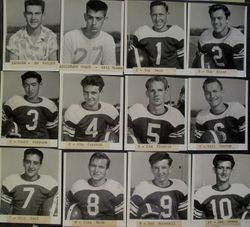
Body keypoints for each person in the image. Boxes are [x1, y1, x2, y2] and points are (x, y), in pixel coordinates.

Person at [66, 152, 124, 220]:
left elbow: (121, 220)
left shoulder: (116, 188)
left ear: (107, 170)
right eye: (93, 166)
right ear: (88, 166)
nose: (96, 170)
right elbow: (64, 208)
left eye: (101, 167)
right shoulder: (77, 186)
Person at [2, 71, 58, 139]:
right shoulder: (14, 102)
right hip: (19, 141)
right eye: (26, 85)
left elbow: (54, 134)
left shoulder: (49, 105)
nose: (30, 89)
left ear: (40, 84)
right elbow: (2, 124)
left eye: (33, 85)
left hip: (41, 142)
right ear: (23, 85)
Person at [0, 148, 58, 215]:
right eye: (28, 162)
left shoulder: (50, 183)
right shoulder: (11, 181)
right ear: (23, 162)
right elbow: (2, 214)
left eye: (35, 163)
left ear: (40, 165)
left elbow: (52, 214)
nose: (31, 166)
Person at [130, 152, 188, 219]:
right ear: (151, 169)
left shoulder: (180, 185)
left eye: (164, 167)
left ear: (170, 168)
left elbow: (185, 217)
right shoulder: (142, 187)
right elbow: (130, 216)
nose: (160, 172)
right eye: (156, 168)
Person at [128, 76, 185, 144]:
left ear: (166, 92)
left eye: (160, 90)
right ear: (147, 93)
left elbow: (175, 147)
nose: (156, 94)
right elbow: (121, 130)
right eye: (152, 90)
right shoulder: (136, 110)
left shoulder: (176, 116)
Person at [63, 75, 119, 142]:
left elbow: (119, 135)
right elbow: (67, 141)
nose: (89, 97)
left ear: (101, 93)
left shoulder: (110, 110)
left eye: (93, 93)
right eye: (86, 93)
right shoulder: (73, 110)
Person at [194, 154, 250, 219]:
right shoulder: (203, 193)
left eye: (228, 168)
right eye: (221, 168)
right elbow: (194, 220)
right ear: (214, 170)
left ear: (231, 171)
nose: (224, 172)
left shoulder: (241, 190)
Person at [132, 0, 184, 68]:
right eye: (154, 15)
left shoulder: (177, 33)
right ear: (150, 15)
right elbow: (133, 58)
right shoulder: (141, 34)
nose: (157, 19)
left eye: (161, 14)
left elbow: (183, 63)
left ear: (167, 14)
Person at [63, 0, 116, 65]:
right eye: (90, 18)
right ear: (85, 17)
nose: (94, 23)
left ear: (105, 19)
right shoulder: (69, 37)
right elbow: (64, 70)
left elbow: (109, 72)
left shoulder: (108, 40)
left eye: (98, 18)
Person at [192, 4, 244, 70]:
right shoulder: (204, 36)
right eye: (213, 19)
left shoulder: (237, 38)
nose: (216, 22)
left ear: (227, 19)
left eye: (219, 18)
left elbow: (240, 71)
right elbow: (198, 63)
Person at [194, 78, 245, 143]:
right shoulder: (201, 117)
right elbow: (199, 144)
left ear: (222, 93)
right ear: (205, 95)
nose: (212, 96)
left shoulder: (237, 108)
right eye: (208, 93)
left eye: (215, 91)